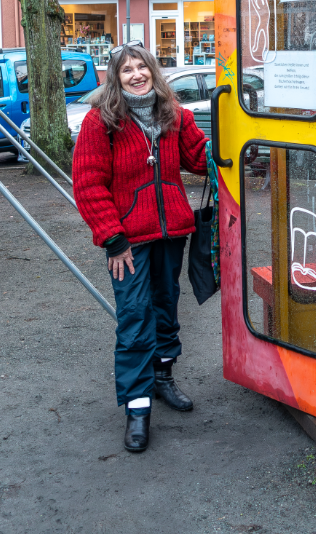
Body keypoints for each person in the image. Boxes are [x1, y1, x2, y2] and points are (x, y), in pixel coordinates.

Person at [72, 42, 208, 452]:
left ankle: (163, 376)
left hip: (171, 234)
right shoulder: (101, 122)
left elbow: (200, 158)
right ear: (115, 78)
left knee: (166, 307)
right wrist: (112, 239)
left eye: (141, 67)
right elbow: (88, 184)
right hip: (128, 242)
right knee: (134, 317)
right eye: (126, 70)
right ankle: (137, 405)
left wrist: (239, 149)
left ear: (153, 70)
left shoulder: (174, 115)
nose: (136, 75)